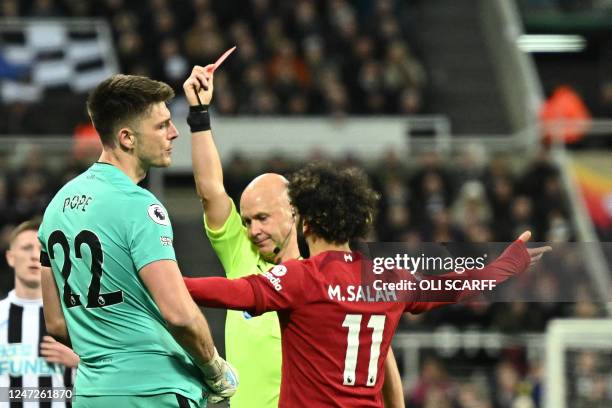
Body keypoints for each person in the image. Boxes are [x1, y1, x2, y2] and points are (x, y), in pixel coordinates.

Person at [184, 163, 552, 406]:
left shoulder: (303, 279)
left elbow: (234, 292)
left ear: (307, 224)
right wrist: (505, 265)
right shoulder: (389, 278)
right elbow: (452, 286)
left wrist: (166, 280)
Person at [182, 64, 404, 407]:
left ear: (294, 213)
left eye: (262, 218)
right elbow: (210, 189)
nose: (253, 230)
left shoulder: (324, 278)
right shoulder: (239, 252)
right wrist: (199, 114)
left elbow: (379, 356)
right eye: (247, 220)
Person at [38, 74, 237, 407]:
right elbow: (179, 313)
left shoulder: (55, 207)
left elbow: (57, 323)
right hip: (156, 390)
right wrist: (215, 367)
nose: (173, 133)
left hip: (92, 394)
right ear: (127, 138)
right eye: (161, 126)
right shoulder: (139, 205)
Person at [1, 219, 79, 408]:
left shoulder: (74, 315)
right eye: (26, 248)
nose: (35, 256)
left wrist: (80, 362)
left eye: (41, 249)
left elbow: (111, 370)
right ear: (11, 258)